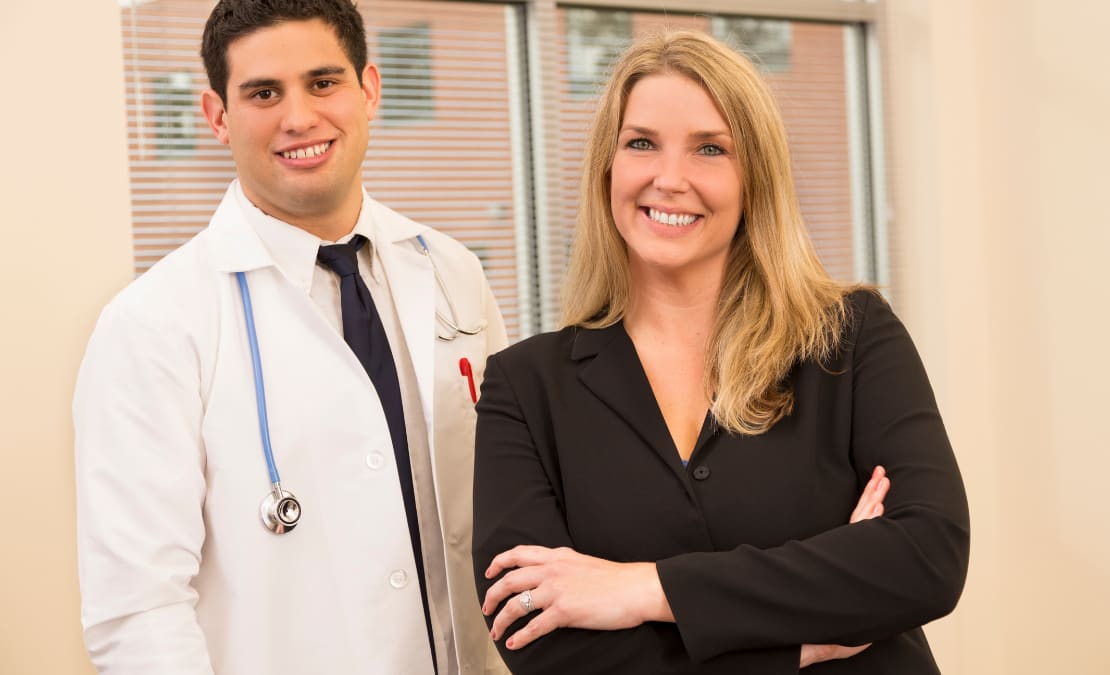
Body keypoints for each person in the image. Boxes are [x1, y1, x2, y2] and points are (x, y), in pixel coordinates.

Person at [472, 29, 969, 674]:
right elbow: (542, 642)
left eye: (710, 149)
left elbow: (927, 558)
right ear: (608, 168)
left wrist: (642, 588)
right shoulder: (525, 386)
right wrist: (803, 640)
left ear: (755, 177)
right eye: (642, 143)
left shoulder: (851, 338)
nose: (670, 178)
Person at [73, 1, 508, 673]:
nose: (299, 117)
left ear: (369, 90)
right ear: (217, 116)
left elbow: (505, 504)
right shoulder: (153, 324)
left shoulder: (452, 271)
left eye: (323, 82)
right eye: (264, 93)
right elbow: (138, 609)